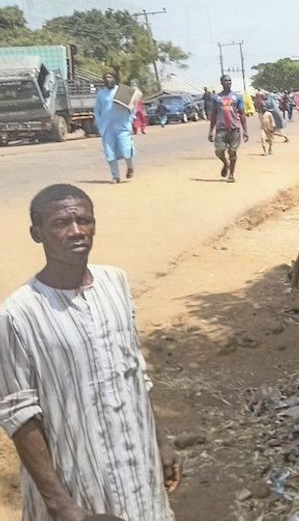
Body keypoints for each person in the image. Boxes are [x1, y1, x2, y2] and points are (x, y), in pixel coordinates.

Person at [0, 185, 180, 520]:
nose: (76, 231)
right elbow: (19, 417)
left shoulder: (116, 283)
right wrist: (62, 506)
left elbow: (135, 373)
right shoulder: (17, 314)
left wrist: (161, 442)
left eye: (84, 220)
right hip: (77, 486)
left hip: (139, 468)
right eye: (61, 223)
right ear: (36, 234)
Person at [92, 72, 136, 183]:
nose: (108, 79)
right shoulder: (101, 94)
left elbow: (133, 106)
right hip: (107, 128)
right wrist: (99, 124)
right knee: (110, 153)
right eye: (105, 77)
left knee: (126, 150)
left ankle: (130, 166)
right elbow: (97, 111)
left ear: (114, 79)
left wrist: (130, 119)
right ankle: (115, 176)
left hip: (123, 127)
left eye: (110, 77)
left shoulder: (122, 91)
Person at [207, 74, 248, 183]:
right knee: (219, 151)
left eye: (230, 81)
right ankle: (226, 163)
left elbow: (242, 114)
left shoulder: (237, 97)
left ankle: (231, 175)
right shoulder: (216, 98)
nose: (228, 82)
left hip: (234, 129)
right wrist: (211, 131)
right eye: (226, 81)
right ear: (221, 83)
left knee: (232, 152)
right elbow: (213, 115)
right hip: (221, 129)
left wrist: (245, 131)